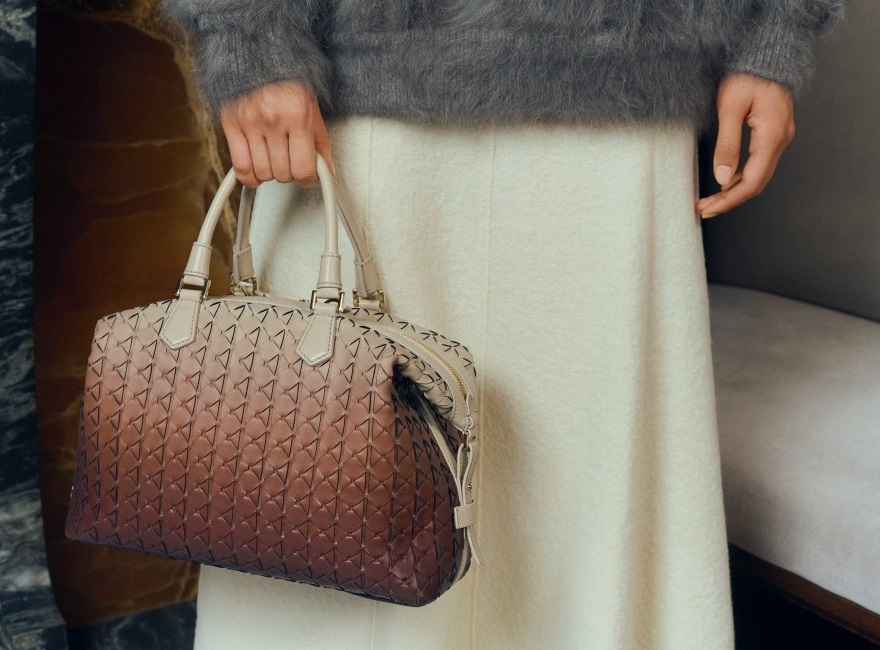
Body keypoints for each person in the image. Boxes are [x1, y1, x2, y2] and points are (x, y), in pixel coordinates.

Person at [163, 2, 841, 648]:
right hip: (355, 85)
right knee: (326, 492)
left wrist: (776, 33)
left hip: (627, 79)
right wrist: (249, 36)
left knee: (590, 522)